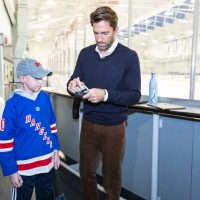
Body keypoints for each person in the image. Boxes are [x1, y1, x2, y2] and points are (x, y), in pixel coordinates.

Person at [67, 6, 141, 200]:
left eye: (105, 33)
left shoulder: (129, 57)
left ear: (116, 30)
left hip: (114, 127)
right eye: (96, 33)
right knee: (86, 173)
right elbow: (73, 80)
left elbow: (134, 95)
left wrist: (105, 95)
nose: (99, 39)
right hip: (88, 124)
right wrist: (72, 86)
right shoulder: (85, 54)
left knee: (111, 178)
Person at [0, 58, 60, 200]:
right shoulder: (13, 104)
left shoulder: (45, 98)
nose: (41, 81)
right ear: (23, 78)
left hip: (47, 164)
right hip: (23, 170)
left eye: (42, 77)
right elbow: (5, 141)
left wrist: (56, 150)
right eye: (37, 77)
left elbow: (52, 127)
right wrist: (12, 171)